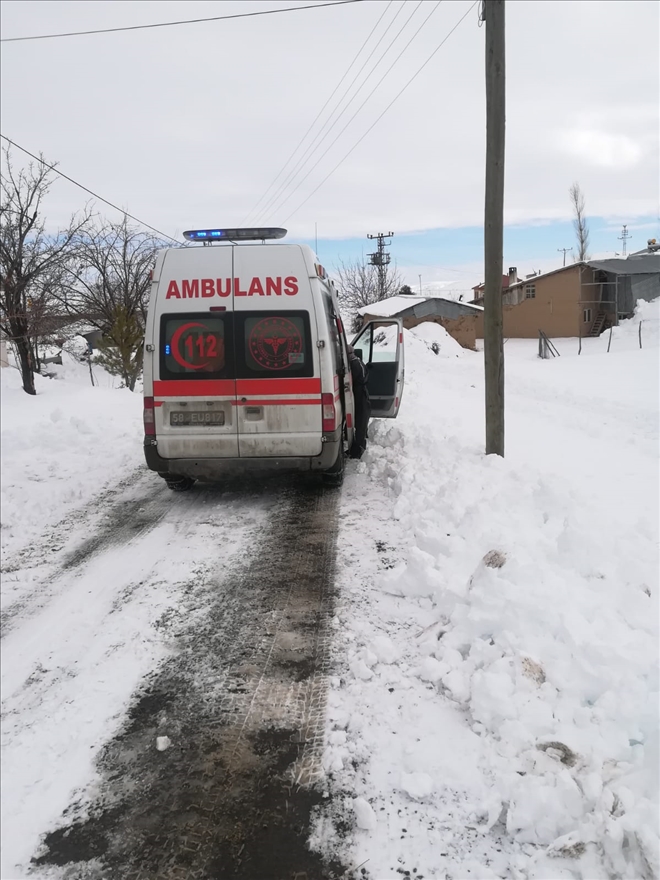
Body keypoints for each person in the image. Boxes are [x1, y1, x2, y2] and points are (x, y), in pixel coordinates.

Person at [347, 344, 371, 459]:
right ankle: (356, 447)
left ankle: (359, 448)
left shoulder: (355, 363)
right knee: (357, 420)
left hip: (360, 395)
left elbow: (361, 379)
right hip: (356, 394)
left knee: (360, 421)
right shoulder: (355, 362)